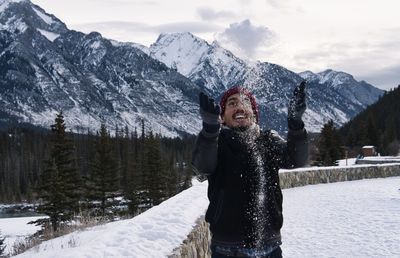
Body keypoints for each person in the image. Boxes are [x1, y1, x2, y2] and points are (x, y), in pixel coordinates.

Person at [192, 82, 309, 258]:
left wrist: (295, 123)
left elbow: (296, 159)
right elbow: (202, 166)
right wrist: (209, 130)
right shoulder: (217, 142)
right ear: (222, 117)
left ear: (254, 115)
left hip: (270, 246)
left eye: (246, 103)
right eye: (232, 103)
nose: (239, 107)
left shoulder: (268, 139)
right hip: (227, 250)